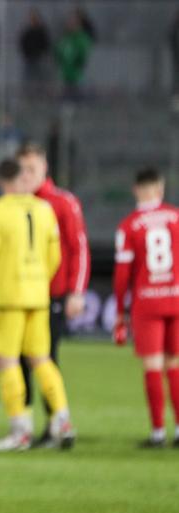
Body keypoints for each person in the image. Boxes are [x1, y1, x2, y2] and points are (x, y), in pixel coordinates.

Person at [0, 159, 76, 452]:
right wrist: (38, 280)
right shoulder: (44, 209)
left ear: (1, 181)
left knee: (7, 361)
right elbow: (55, 256)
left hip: (9, 298)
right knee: (41, 359)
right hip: (38, 296)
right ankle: (62, 421)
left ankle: (20, 431)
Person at [16, 143, 89, 446]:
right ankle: (24, 425)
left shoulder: (61, 202)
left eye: (32, 168)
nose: (27, 175)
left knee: (45, 357)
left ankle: (55, 423)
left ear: (45, 168)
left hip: (52, 295)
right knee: (19, 359)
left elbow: (78, 247)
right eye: (22, 169)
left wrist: (76, 292)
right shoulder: (14, 204)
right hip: (20, 295)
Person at [113, 168, 179, 448]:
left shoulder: (129, 225)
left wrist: (120, 310)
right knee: (174, 365)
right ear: (160, 189)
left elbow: (122, 274)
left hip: (147, 302)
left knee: (153, 366)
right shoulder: (176, 217)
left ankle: (158, 433)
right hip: (176, 299)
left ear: (136, 190)